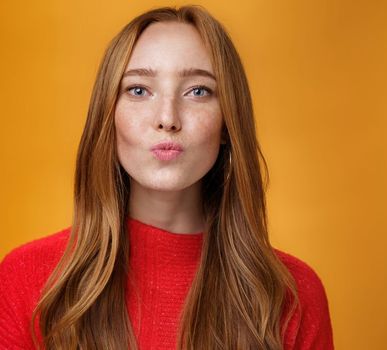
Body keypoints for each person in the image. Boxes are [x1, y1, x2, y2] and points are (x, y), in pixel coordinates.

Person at [0, 5, 334, 350]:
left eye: (198, 91)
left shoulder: (293, 295)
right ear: (108, 115)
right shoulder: (27, 280)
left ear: (227, 123)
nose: (167, 118)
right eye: (139, 90)